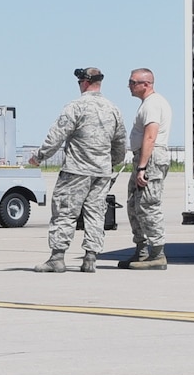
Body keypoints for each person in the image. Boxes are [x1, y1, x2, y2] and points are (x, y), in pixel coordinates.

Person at [27, 67, 128, 273]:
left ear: (83, 83)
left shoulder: (76, 106)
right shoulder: (113, 109)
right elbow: (120, 143)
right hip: (102, 172)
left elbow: (57, 135)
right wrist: (110, 163)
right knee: (95, 214)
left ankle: (57, 258)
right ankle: (90, 258)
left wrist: (39, 156)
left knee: (64, 213)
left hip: (76, 171)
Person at [118, 68, 173, 269]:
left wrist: (142, 167)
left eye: (133, 82)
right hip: (143, 157)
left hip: (150, 158)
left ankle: (157, 255)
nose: (129, 86)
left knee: (148, 204)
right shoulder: (147, 104)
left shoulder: (153, 104)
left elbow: (150, 136)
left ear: (146, 84)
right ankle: (141, 251)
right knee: (134, 204)